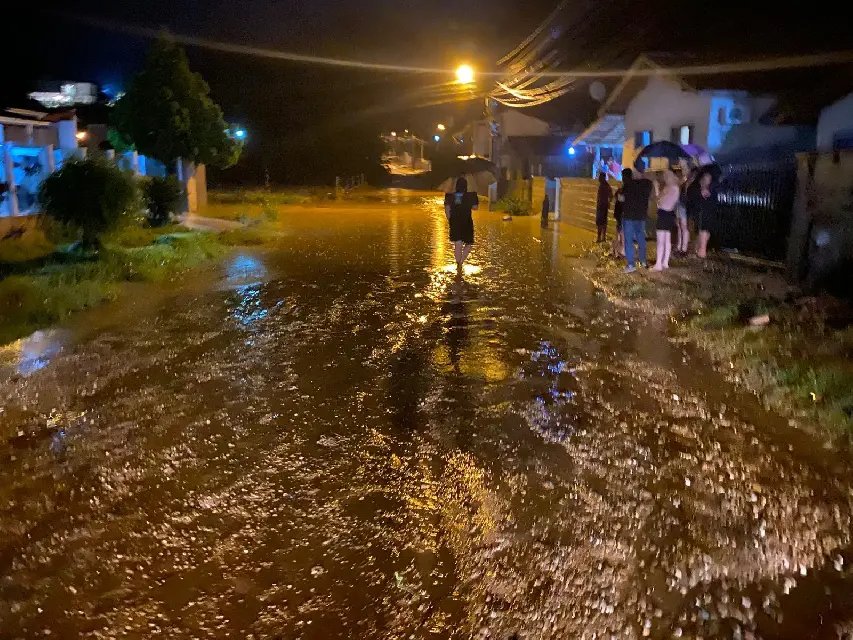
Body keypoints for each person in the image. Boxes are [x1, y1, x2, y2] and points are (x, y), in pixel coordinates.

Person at [621, 168, 654, 273]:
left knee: (629, 241)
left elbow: (621, 198)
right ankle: (643, 261)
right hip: (641, 217)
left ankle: (631, 264)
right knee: (641, 239)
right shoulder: (647, 184)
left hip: (629, 217)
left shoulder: (628, 184)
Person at [444, 176, 478, 273]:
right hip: (467, 221)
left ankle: (458, 264)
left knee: (458, 244)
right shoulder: (471, 195)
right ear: (466, 186)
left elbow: (447, 209)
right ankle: (461, 262)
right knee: (469, 243)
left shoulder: (449, 196)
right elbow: (475, 208)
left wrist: (450, 220)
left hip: (455, 221)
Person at [652, 170, 680, 271]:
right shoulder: (676, 188)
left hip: (663, 214)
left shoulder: (668, 188)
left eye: (665, 176)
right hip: (670, 214)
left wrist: (656, 188)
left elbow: (659, 202)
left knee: (660, 240)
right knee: (667, 240)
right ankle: (665, 262)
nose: (664, 178)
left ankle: (658, 264)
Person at [694, 171, 716, 258]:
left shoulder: (705, 190)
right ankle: (701, 249)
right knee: (705, 231)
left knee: (703, 231)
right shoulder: (710, 189)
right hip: (707, 213)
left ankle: (702, 251)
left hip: (704, 213)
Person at [595, 172, 612, 243]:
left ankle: (600, 238)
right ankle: (603, 238)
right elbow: (611, 196)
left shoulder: (603, 186)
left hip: (601, 206)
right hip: (604, 206)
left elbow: (610, 196)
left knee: (600, 222)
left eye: (600, 177)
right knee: (604, 222)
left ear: (602, 178)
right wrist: (608, 202)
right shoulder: (606, 185)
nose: (598, 178)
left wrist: (606, 202)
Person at [612, 181, 625, 257]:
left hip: (619, 215)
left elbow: (615, 199)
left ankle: (617, 251)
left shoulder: (619, 192)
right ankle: (618, 251)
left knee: (619, 232)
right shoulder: (621, 193)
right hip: (621, 215)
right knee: (620, 233)